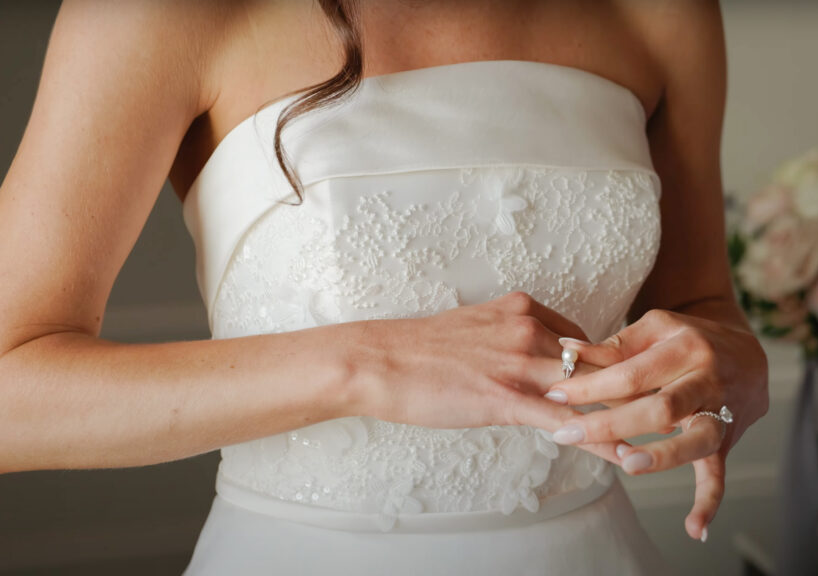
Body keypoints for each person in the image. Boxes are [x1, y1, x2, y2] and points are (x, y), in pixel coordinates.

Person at [0, 0, 768, 574]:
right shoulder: (159, 14)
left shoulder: (665, 12)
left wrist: (733, 366)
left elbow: (704, 306)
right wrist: (367, 363)